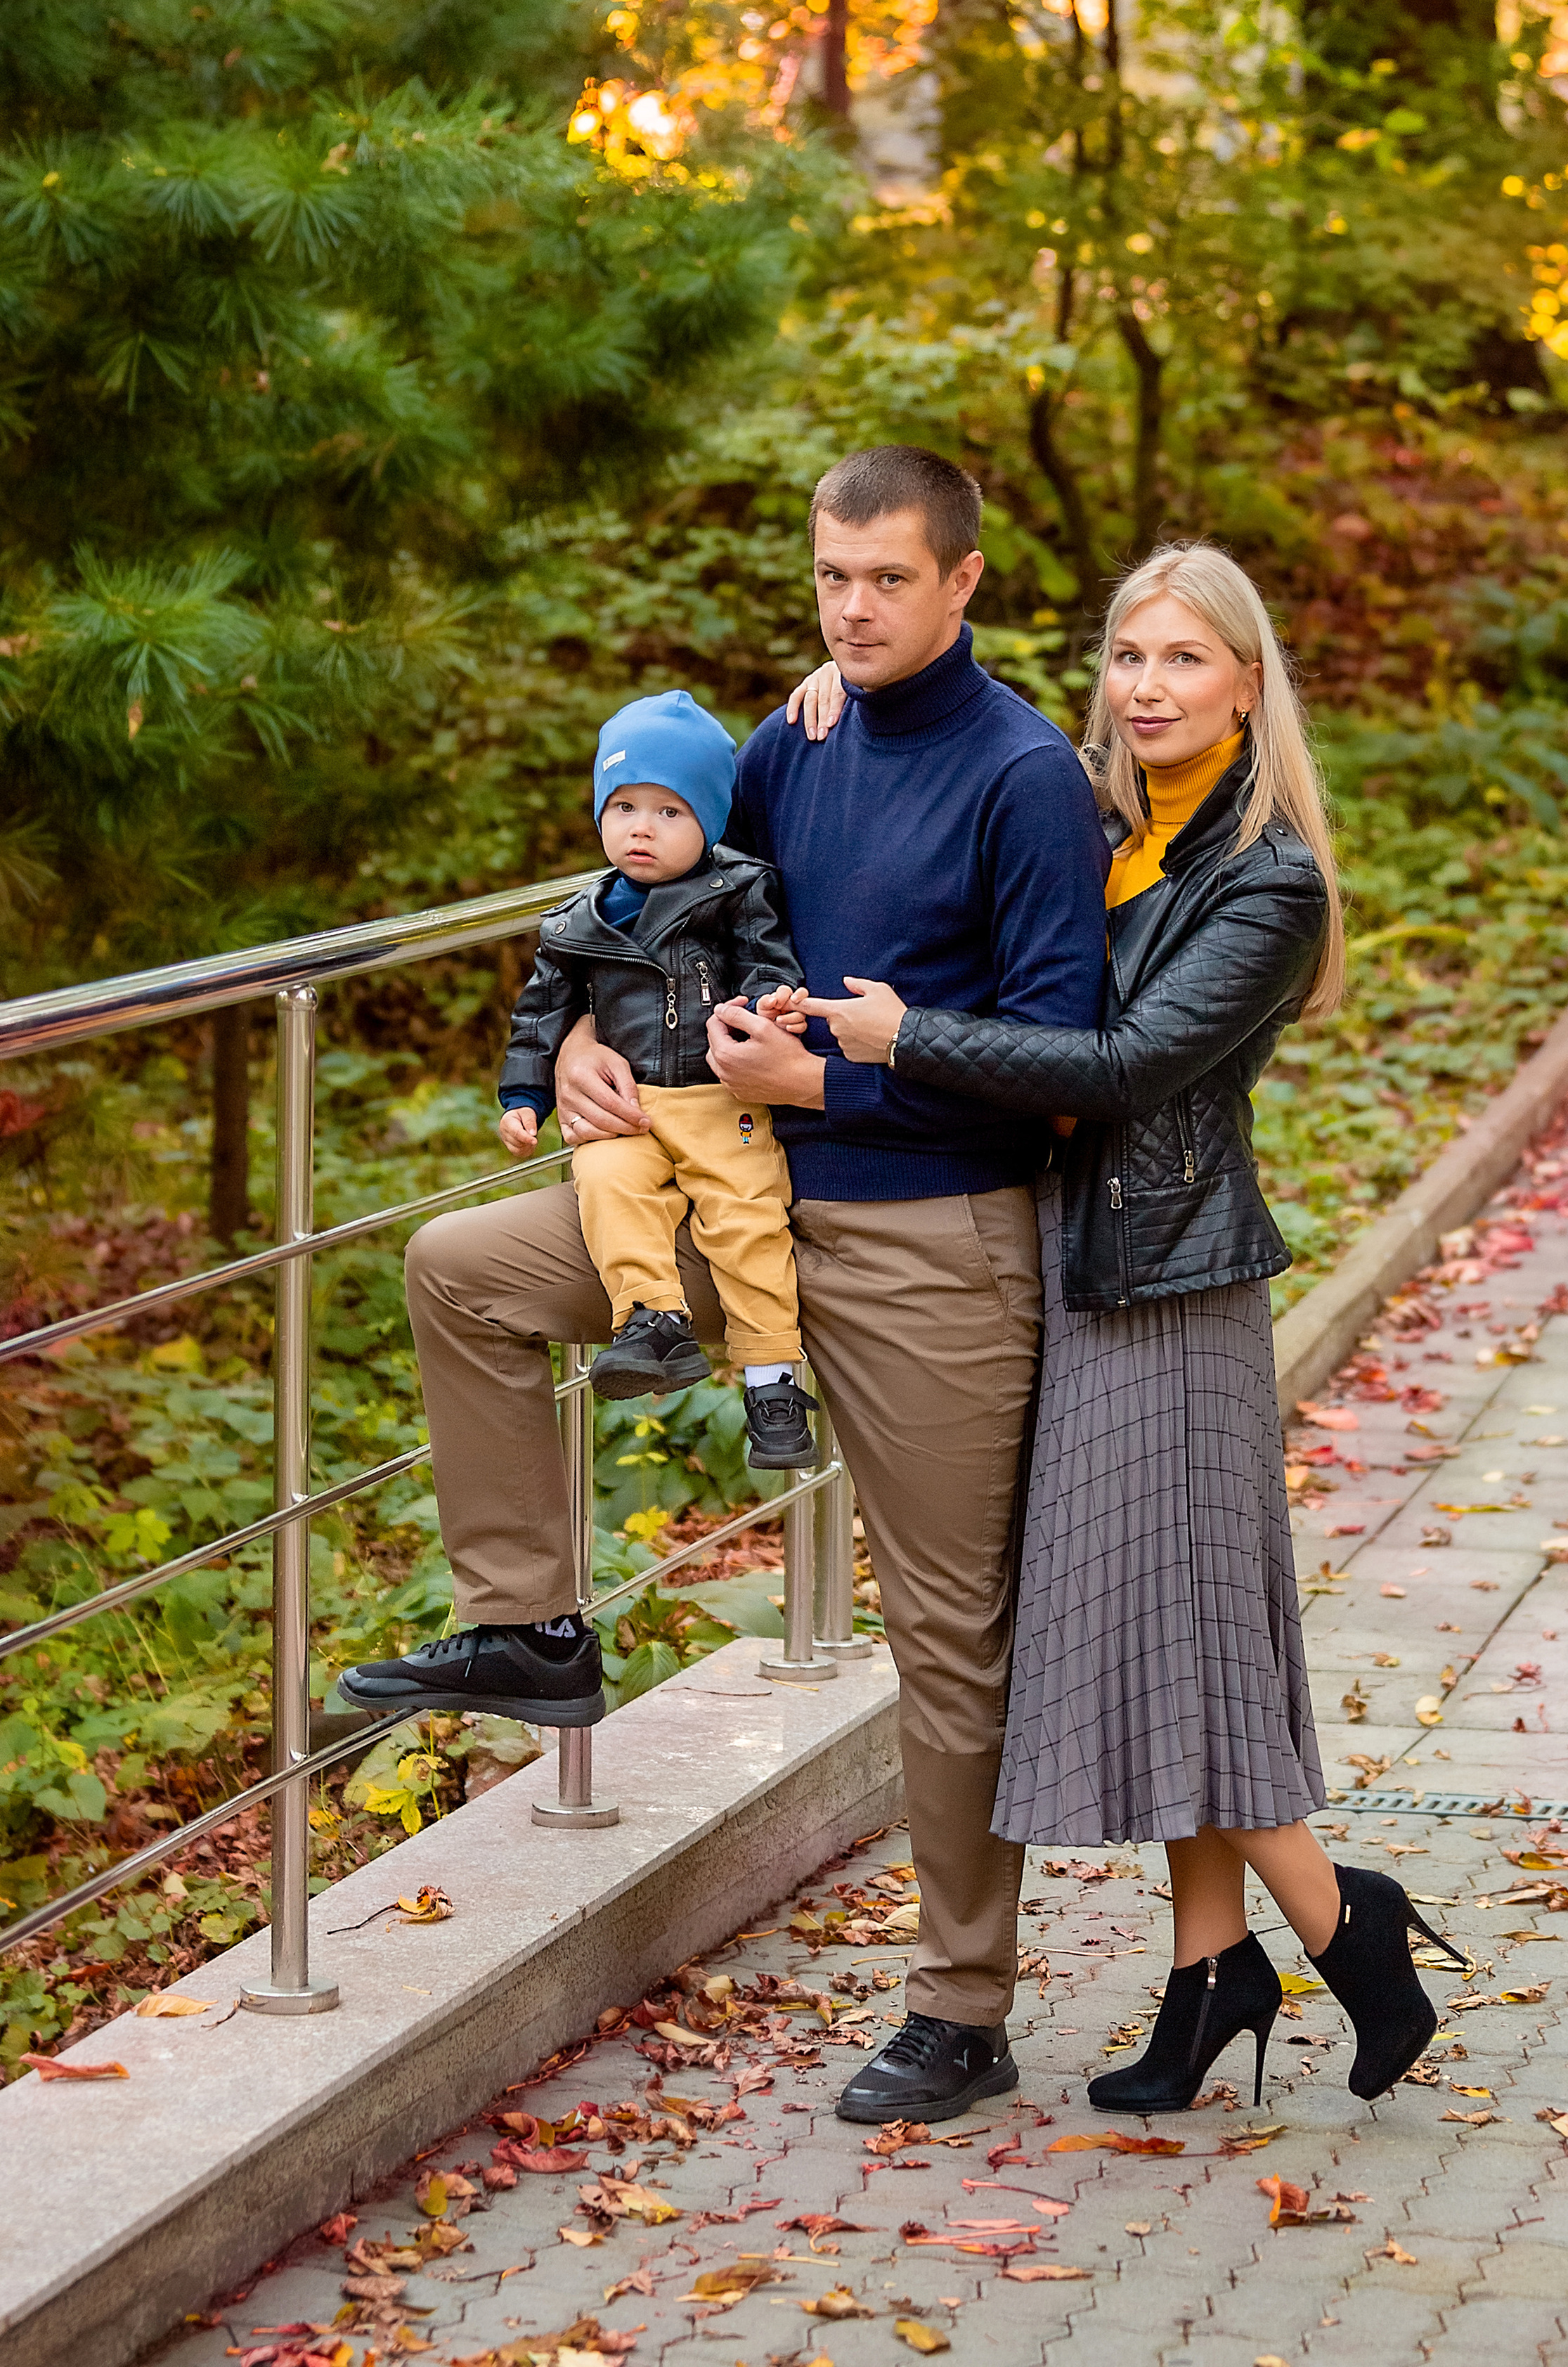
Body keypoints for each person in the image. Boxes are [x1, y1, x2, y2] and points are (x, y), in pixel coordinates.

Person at [347, 446, 1111, 2129]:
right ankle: (532, 1624)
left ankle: (960, 2005)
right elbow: (666, 911)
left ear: (963, 580)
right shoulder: (789, 743)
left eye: (889, 579)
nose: (853, 609)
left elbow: (1060, 1062)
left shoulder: (1023, 776)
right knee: (463, 1268)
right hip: (737, 1201)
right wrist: (597, 1038)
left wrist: (828, 1083)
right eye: (833, 578)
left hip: (931, 1234)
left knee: (948, 1634)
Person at [808, 542, 1467, 2106]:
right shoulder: (1092, 820)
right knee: (1166, 1623)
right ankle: (1207, 1974)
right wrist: (837, 684)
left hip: (1166, 1280)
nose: (1149, 687)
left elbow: (1118, 1067)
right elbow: (950, 761)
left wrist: (902, 1039)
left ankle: (1342, 1919)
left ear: (1245, 684)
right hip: (1058, 1251)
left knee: (1179, 1625)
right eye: (1127, 657)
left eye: (1184, 659)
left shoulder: (1268, 880)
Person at [493, 688, 815, 1466]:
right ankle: (652, 1321)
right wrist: (524, 1096)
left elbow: (768, 963)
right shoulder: (579, 920)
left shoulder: (736, 890)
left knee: (746, 1219)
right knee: (606, 1184)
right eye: (624, 807)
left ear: (710, 821)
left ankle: (771, 1379)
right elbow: (541, 1014)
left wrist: (768, 1007)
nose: (642, 828)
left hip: (719, 1097)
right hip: (630, 1106)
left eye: (671, 811)